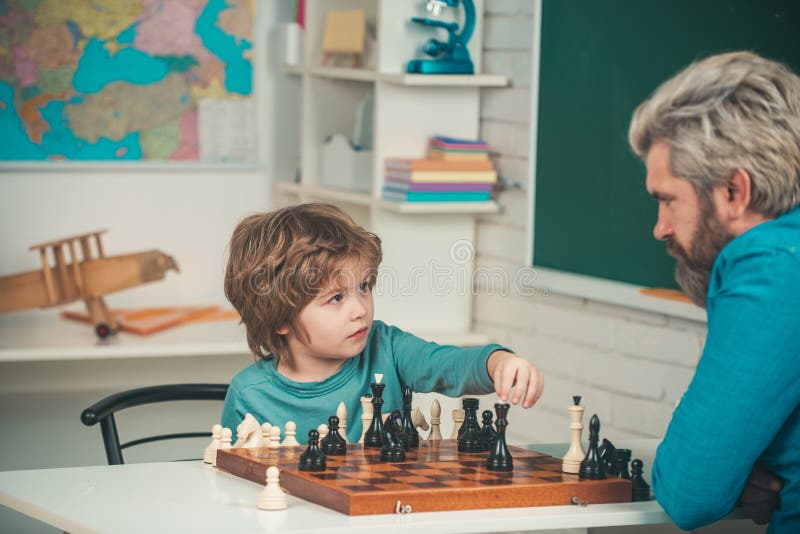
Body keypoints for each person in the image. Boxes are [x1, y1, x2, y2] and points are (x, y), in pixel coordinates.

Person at [628, 51, 800, 532]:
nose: (659, 228)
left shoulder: (774, 264)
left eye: (668, 200)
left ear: (734, 192)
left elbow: (688, 492)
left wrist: (728, 476)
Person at [220, 202, 544, 444]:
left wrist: (498, 362)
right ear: (280, 318)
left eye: (364, 287)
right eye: (336, 298)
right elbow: (235, 488)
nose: (360, 309)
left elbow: (449, 364)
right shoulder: (250, 395)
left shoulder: (387, 349)